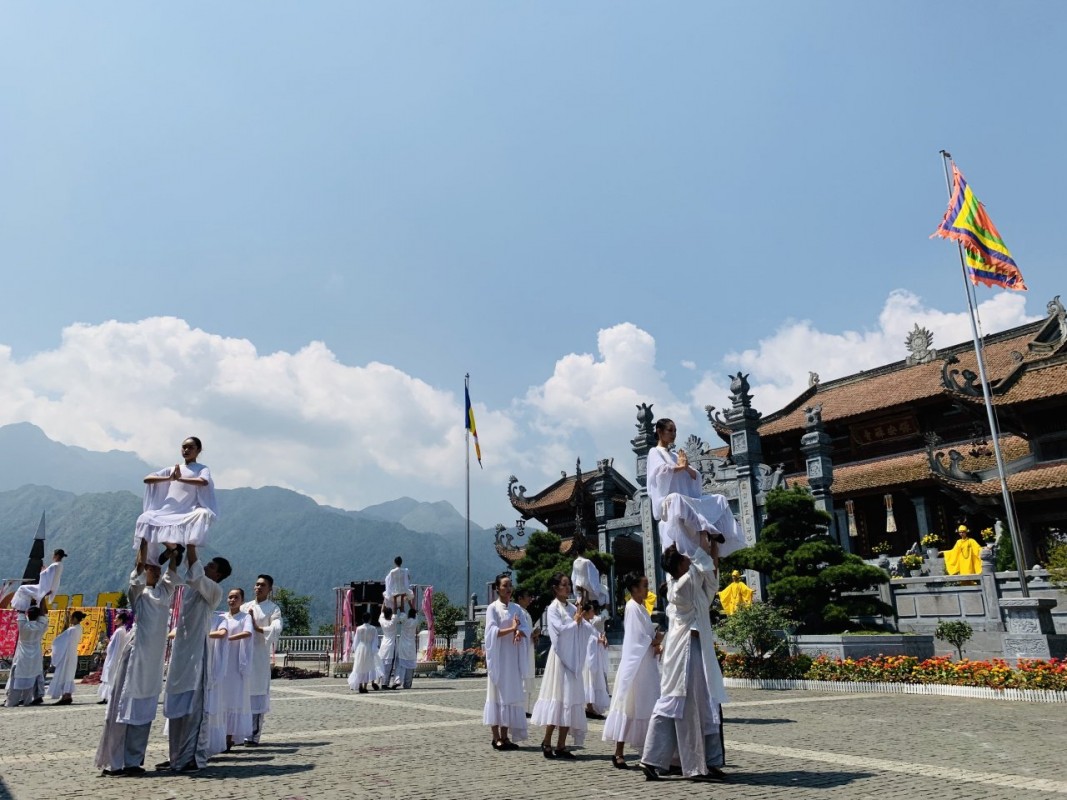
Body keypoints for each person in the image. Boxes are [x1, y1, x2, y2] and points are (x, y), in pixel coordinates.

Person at [639, 540, 727, 782]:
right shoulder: (680, 587)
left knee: (703, 703)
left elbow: (711, 577)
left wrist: (714, 549)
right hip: (684, 652)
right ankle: (666, 760)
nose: (690, 559)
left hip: (696, 650)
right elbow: (702, 566)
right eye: (685, 558)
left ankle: (704, 760)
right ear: (679, 565)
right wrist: (701, 537)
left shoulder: (691, 587)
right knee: (678, 703)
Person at [95, 542, 181, 777]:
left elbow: (172, 572)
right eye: (151, 567)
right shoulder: (139, 593)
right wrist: (144, 540)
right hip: (135, 658)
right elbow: (139, 566)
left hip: (152, 665)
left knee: (143, 710)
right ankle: (116, 762)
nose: (155, 570)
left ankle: (133, 761)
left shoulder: (163, 592)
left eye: (155, 568)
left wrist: (173, 551)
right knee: (124, 708)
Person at [158, 544, 231, 773]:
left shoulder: (213, 591)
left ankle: (192, 757)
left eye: (212, 565)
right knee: (177, 707)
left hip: (197, 654)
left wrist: (190, 543)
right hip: (181, 652)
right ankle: (176, 757)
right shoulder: (193, 588)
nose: (206, 566)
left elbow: (195, 569)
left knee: (193, 710)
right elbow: (191, 570)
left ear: (217, 574)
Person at [646, 418, 745, 562]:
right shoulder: (655, 452)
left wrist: (685, 467)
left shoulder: (675, 455)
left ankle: (715, 530)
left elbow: (695, 475)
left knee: (719, 499)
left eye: (675, 431)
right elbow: (660, 473)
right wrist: (680, 467)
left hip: (684, 500)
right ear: (660, 432)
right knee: (675, 497)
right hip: (667, 502)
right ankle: (709, 528)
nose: (674, 434)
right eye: (670, 430)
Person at [603, 572, 662, 769]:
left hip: (645, 664)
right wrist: (654, 640)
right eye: (644, 586)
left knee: (646, 705)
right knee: (628, 707)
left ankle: (649, 750)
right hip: (636, 665)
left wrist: (654, 640)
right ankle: (618, 751)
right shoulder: (632, 607)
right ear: (635, 588)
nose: (647, 589)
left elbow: (644, 635)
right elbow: (637, 639)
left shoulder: (641, 608)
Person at [530, 573, 588, 759]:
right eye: (564, 585)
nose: (567, 588)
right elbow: (558, 632)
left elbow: (584, 626)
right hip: (560, 659)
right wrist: (575, 622)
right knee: (557, 698)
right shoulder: (553, 608)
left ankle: (561, 744)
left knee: (569, 700)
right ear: (555, 588)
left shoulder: (572, 608)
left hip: (573, 658)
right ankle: (547, 741)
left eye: (568, 584)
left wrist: (597, 635)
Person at [135, 436, 218, 562]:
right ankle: (173, 548)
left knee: (202, 514)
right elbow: (147, 479)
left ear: (199, 450)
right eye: (184, 447)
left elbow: (203, 481)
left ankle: (177, 549)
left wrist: (180, 479)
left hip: (188, 511)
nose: (186, 450)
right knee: (145, 518)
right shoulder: (172, 469)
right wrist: (170, 478)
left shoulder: (202, 468)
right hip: (167, 510)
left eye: (191, 447)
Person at [483, 574, 530, 750]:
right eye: (505, 585)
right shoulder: (492, 609)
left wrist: (519, 632)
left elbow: (525, 627)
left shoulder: (516, 608)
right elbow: (491, 632)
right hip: (499, 658)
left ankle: (505, 735)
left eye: (510, 585)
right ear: (497, 589)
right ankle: (496, 737)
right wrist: (512, 628)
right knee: (496, 695)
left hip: (512, 658)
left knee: (509, 696)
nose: (509, 588)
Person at [241, 574, 282, 745]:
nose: (258, 588)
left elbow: (276, 627)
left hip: (259, 657)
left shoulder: (273, 609)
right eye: (257, 584)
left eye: (263, 585)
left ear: (269, 589)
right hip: (242, 654)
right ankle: (237, 732)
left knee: (256, 694)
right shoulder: (244, 607)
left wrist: (258, 628)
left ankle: (253, 735)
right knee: (240, 694)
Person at [216, 588, 254, 752]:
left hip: (236, 663)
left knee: (233, 700)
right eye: (230, 597)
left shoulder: (245, 617)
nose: (232, 600)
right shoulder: (221, 617)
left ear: (242, 600)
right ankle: (219, 735)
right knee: (221, 699)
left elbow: (247, 633)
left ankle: (229, 737)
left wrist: (228, 638)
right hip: (221, 661)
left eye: (236, 597)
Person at [4, 607, 48, 707]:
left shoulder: (23, 627)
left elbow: (20, 612)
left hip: (22, 657)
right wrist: (40, 598)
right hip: (35, 658)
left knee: (16, 681)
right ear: (37, 617)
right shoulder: (40, 627)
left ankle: (11, 702)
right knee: (30, 679)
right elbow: (43, 616)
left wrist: (25, 601)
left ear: (28, 615)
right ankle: (27, 701)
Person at [48, 610, 86, 704]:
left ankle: (65, 696)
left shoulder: (72, 629)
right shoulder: (79, 628)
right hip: (73, 654)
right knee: (69, 675)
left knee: (64, 674)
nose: (71, 620)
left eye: (72, 618)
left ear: (75, 618)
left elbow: (59, 640)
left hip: (67, 655)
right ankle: (68, 695)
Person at [582, 601, 609, 719]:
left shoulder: (589, 624)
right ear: (586, 612)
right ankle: (589, 705)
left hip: (593, 656)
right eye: (592, 610)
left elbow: (596, 634)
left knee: (593, 681)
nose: (594, 613)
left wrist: (603, 638)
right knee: (588, 680)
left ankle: (591, 705)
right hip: (587, 658)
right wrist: (597, 640)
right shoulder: (582, 624)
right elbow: (587, 639)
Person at [98, 610, 132, 704]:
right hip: (111, 657)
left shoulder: (119, 631)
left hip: (113, 658)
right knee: (108, 677)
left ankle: (108, 697)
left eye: (116, 618)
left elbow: (117, 648)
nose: (114, 620)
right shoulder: (121, 631)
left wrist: (113, 661)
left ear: (121, 620)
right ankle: (106, 697)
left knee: (110, 677)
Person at [513, 587, 537, 716]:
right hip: (520, 649)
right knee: (522, 677)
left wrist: (534, 635)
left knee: (528, 677)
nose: (530, 599)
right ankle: (520, 707)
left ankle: (526, 708)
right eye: (528, 596)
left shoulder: (526, 613)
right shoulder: (517, 611)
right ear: (520, 598)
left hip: (528, 648)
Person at [347, 613, 382, 694]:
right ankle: (365, 687)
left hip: (360, 648)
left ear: (363, 619)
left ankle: (360, 685)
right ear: (369, 619)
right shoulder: (373, 629)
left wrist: (355, 650)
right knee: (367, 667)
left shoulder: (359, 628)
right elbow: (375, 641)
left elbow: (356, 641)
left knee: (360, 667)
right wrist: (374, 650)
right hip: (369, 648)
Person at [396, 607, 419, 689]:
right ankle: (407, 684)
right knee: (410, 666)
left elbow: (402, 613)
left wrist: (401, 603)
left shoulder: (405, 621)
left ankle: (398, 680)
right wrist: (410, 603)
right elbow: (415, 613)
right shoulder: (415, 622)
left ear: (408, 614)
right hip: (411, 646)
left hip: (403, 645)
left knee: (401, 665)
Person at [377, 606, 399, 689]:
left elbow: (382, 612)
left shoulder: (382, 621)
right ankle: (385, 683)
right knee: (388, 667)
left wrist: (384, 601)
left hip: (383, 644)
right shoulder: (392, 623)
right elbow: (395, 613)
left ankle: (377, 681)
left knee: (381, 664)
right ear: (390, 615)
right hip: (391, 645)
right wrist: (396, 600)